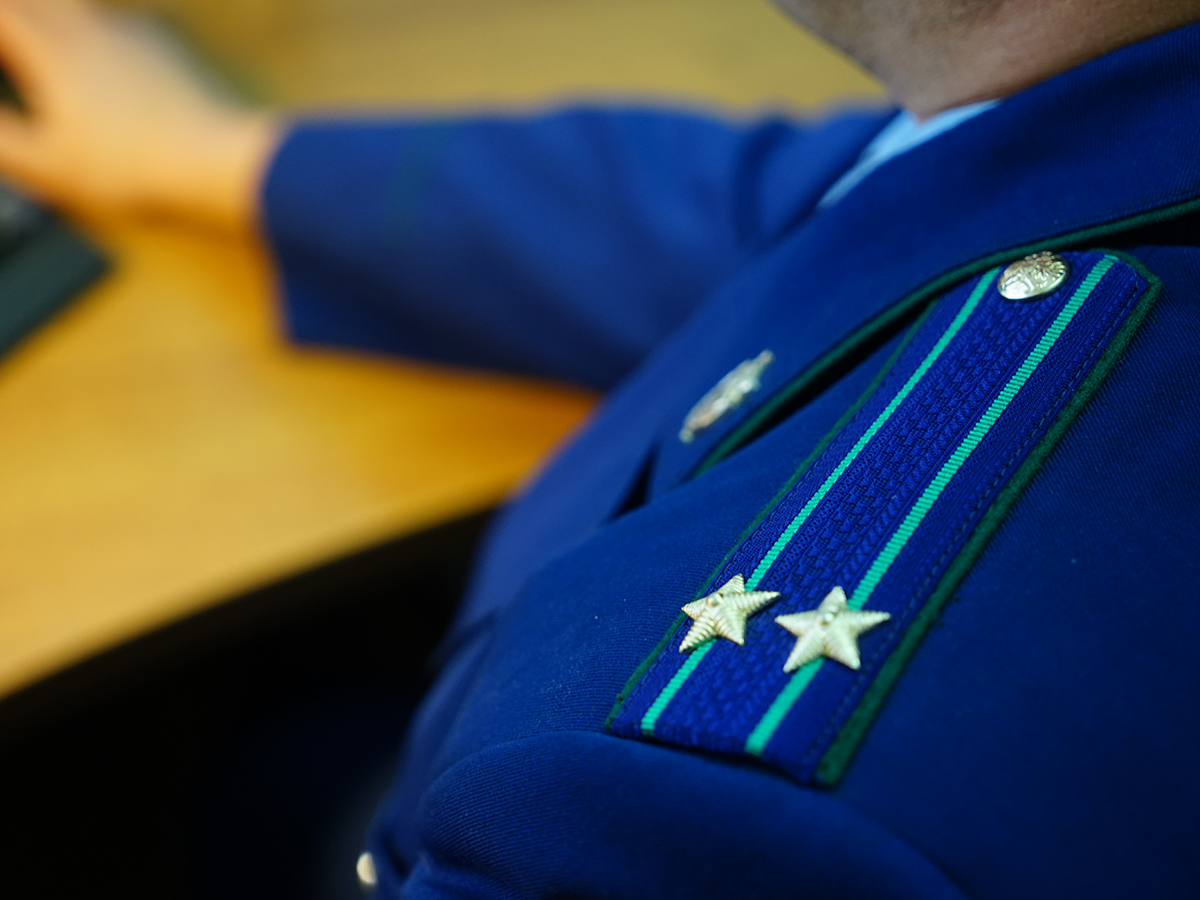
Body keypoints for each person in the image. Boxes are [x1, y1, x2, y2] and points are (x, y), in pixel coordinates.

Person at [2, 0, 1199, 897]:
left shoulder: (698, 805)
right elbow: (791, 211)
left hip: (472, 802)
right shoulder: (1109, 115)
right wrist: (212, 156)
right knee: (278, 763)